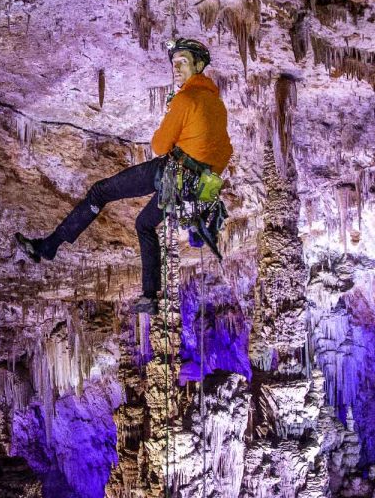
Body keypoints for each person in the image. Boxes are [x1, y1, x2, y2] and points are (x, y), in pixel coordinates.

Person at [15, 38, 233, 313]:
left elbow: (159, 146)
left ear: (199, 65)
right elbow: (224, 151)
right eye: (174, 63)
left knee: (100, 192)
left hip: (169, 173)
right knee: (144, 224)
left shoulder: (186, 99)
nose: (176, 68)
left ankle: (48, 247)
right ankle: (149, 296)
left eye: (183, 62)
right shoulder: (217, 104)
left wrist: (173, 117)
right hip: (193, 189)